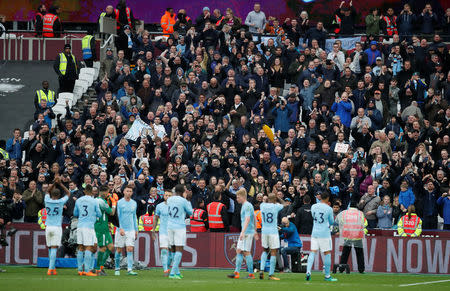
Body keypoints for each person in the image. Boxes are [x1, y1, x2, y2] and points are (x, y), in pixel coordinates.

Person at [305, 191, 337, 282]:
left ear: (320, 198)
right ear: (327, 199)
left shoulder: (313, 206)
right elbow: (331, 222)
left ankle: (308, 271)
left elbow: (313, 216)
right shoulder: (329, 208)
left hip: (315, 232)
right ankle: (327, 276)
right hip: (324, 233)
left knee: (312, 252)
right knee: (327, 253)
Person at [228, 188, 258, 279]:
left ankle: (251, 274)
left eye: (238, 197)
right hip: (246, 231)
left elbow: (248, 219)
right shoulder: (247, 205)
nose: (236, 199)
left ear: (242, 197)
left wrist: (243, 232)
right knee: (239, 250)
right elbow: (254, 218)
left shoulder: (247, 206)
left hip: (247, 232)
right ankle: (236, 272)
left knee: (246, 252)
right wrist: (255, 231)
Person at [73, 184, 102, 276]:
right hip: (89, 226)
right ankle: (87, 270)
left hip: (80, 226)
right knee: (89, 247)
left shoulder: (78, 200)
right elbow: (99, 214)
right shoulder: (94, 201)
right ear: (92, 192)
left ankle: (80, 270)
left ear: (84, 191)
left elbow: (75, 213)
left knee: (81, 248)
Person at [44, 177, 70, 275]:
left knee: (50, 247)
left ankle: (53, 268)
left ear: (51, 194)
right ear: (59, 195)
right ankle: (50, 269)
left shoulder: (47, 200)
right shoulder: (60, 202)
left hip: (48, 227)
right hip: (56, 227)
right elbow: (68, 193)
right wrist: (61, 184)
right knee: (54, 247)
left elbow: (47, 191)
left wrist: (54, 183)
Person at [167, 184, 193, 279]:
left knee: (173, 249)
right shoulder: (184, 201)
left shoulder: (169, 199)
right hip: (179, 227)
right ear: (183, 192)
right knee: (179, 249)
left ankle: (177, 272)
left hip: (169, 226)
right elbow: (191, 212)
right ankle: (172, 273)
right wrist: (187, 200)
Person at [336, 201, 367, 274]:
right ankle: (361, 269)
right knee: (359, 254)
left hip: (348, 235)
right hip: (358, 236)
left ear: (349, 206)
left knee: (345, 253)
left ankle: (341, 269)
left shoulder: (344, 213)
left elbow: (338, 221)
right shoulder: (360, 213)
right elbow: (365, 223)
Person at [114, 185, 138, 276]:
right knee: (119, 250)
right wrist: (120, 228)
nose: (129, 193)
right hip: (121, 229)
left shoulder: (134, 203)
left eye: (130, 191)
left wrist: (136, 230)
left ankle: (129, 269)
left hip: (131, 229)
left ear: (132, 193)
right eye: (127, 191)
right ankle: (117, 268)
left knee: (130, 249)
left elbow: (134, 216)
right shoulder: (119, 203)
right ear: (123, 192)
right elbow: (117, 217)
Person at [259, 193, 283, 280]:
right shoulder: (276, 206)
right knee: (273, 252)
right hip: (273, 231)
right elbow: (284, 204)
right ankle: (271, 274)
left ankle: (261, 270)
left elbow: (265, 201)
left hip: (264, 231)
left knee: (265, 250)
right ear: (275, 199)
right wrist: (278, 199)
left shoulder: (262, 205)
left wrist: (268, 199)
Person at [94, 185, 117, 275]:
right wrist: (114, 203)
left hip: (105, 226)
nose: (108, 194)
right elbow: (112, 212)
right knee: (103, 248)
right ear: (104, 192)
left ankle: (101, 267)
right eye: (107, 192)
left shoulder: (98, 200)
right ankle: (98, 268)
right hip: (100, 227)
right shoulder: (101, 201)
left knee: (111, 247)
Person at [152, 191, 172, 276]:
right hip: (163, 231)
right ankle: (165, 270)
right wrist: (153, 230)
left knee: (171, 254)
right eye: (166, 195)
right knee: (164, 251)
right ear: (164, 196)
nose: (167, 197)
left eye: (169, 195)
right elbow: (156, 218)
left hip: (173, 232)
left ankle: (167, 266)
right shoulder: (159, 206)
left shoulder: (176, 206)